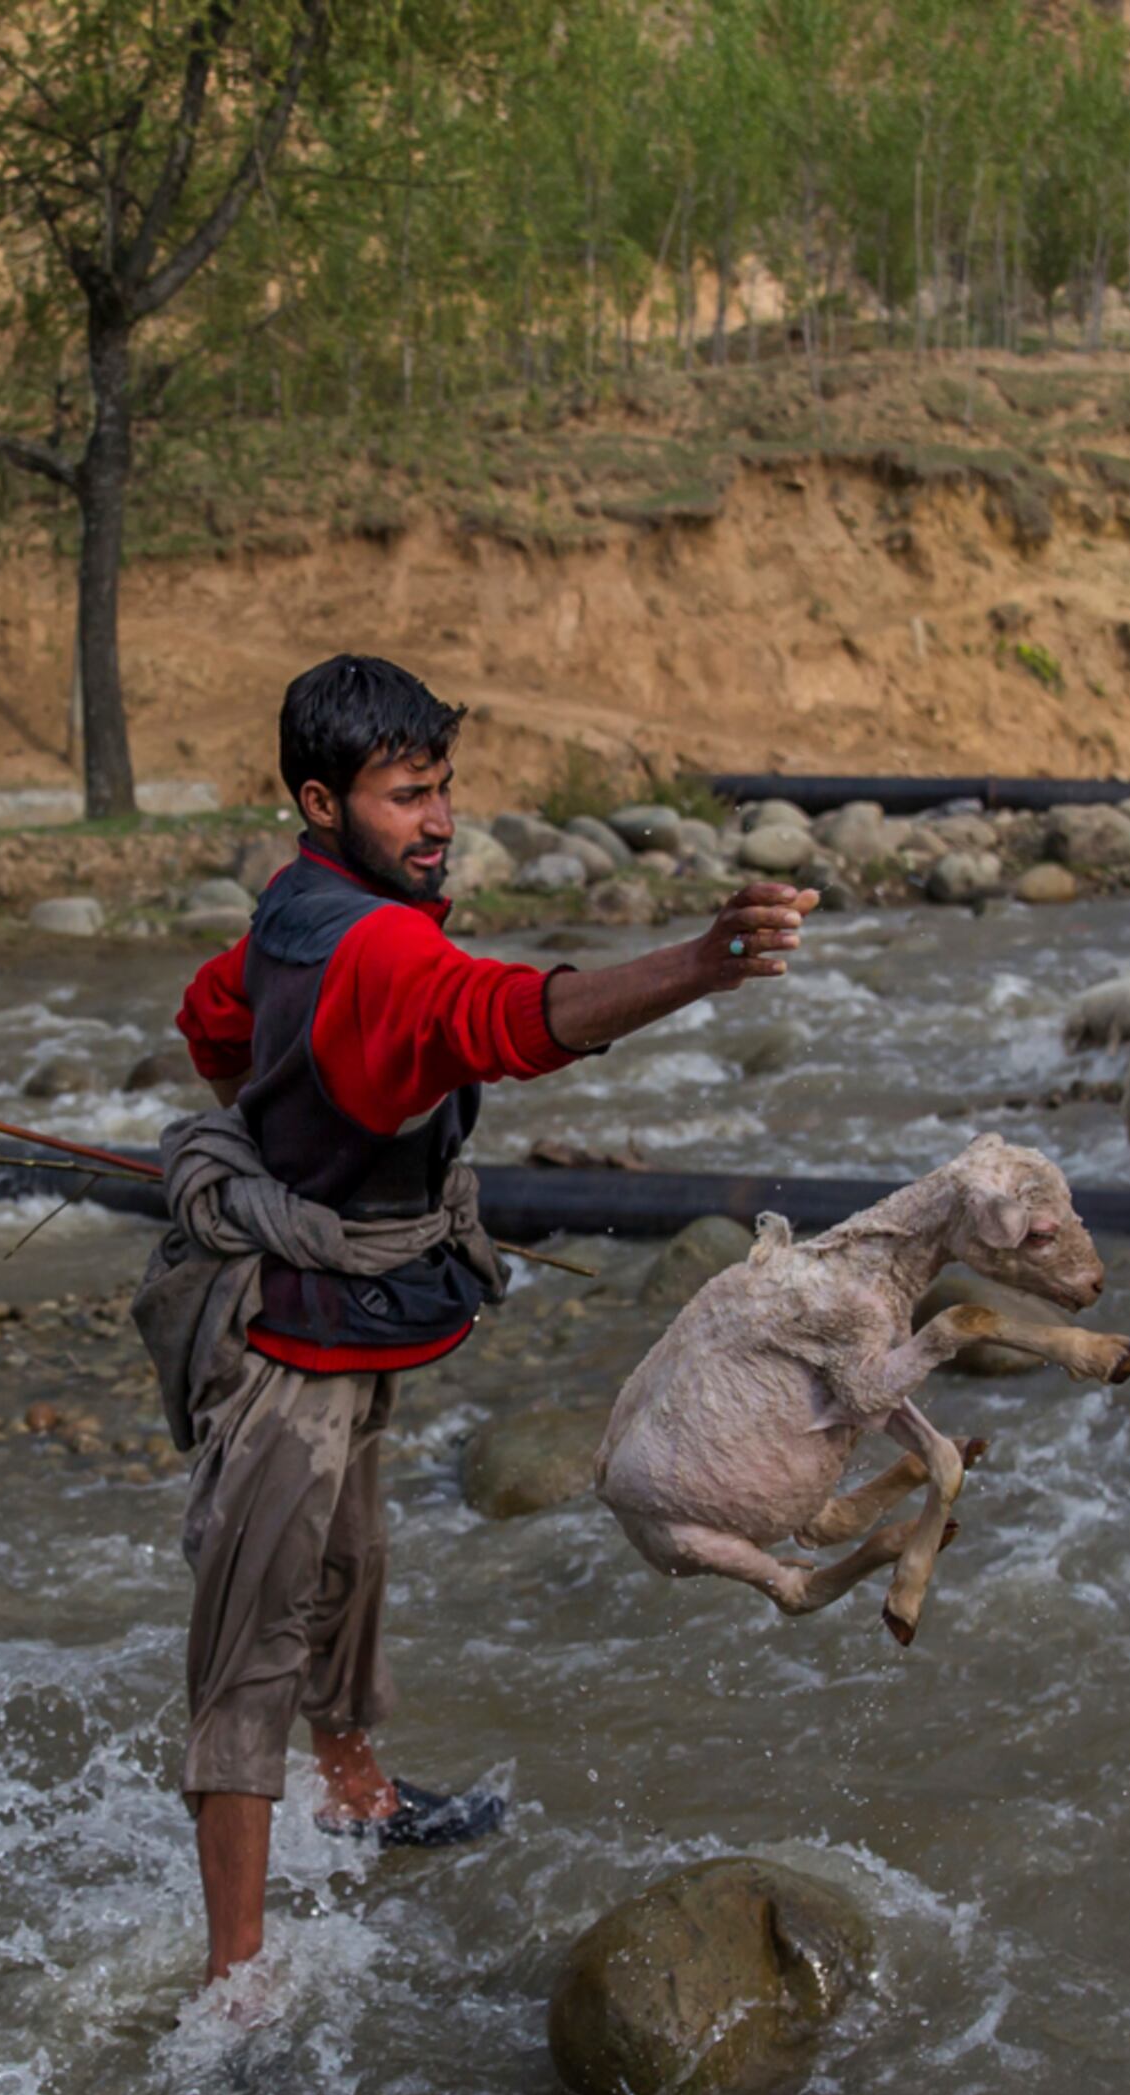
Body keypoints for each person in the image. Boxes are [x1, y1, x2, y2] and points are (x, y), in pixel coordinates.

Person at [136, 655, 815, 1987]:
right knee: (252, 1641)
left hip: (342, 1314)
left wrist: (275, 1130)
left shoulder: (296, 904)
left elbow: (211, 1016)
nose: (441, 819)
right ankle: (238, 1977)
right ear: (323, 801)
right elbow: (509, 1020)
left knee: (350, 1561)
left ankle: (358, 1789)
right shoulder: (382, 945)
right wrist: (698, 963)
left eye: (445, 786)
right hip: (289, 1341)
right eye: (407, 795)